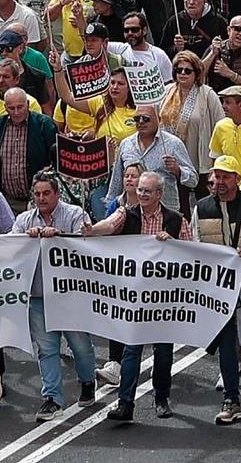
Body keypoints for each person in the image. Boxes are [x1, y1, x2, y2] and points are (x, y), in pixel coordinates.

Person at [93, 171, 182, 424]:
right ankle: (125, 403)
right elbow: (110, 224)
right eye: (140, 189)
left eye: (147, 190)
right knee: (131, 350)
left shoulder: (175, 220)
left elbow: (191, 252)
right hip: (134, 294)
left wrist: (173, 243)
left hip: (164, 296)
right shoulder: (127, 212)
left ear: (159, 194)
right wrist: (92, 230)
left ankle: (161, 397)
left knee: (163, 351)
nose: (141, 194)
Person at [15, 172, 96, 420]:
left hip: (69, 297)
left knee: (80, 347)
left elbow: (85, 244)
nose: (41, 198)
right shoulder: (23, 220)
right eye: (37, 194)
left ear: (57, 194)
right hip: (38, 296)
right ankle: (51, 398)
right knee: (47, 349)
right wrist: (23, 240)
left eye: (46, 193)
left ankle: (88, 381)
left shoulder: (75, 215)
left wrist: (58, 235)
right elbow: (8, 246)